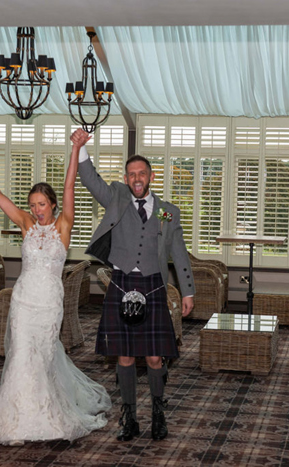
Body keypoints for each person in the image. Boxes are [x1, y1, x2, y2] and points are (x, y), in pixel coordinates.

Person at [0, 145, 111, 447]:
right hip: (24, 301)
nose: (37, 210)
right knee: (21, 357)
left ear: (52, 205)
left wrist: (76, 149)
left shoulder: (64, 226)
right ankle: (16, 418)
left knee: (43, 358)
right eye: (33, 205)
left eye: (42, 204)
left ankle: (48, 415)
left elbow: (69, 185)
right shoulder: (26, 224)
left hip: (49, 303)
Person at [71, 128, 195, 442]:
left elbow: (178, 251)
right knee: (124, 355)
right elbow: (91, 180)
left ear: (150, 176)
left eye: (142, 173)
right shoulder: (117, 197)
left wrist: (189, 290)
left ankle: (157, 414)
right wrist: (82, 149)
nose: (136, 178)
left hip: (153, 287)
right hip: (122, 283)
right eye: (131, 174)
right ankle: (129, 418)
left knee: (154, 357)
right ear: (126, 179)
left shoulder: (168, 211)